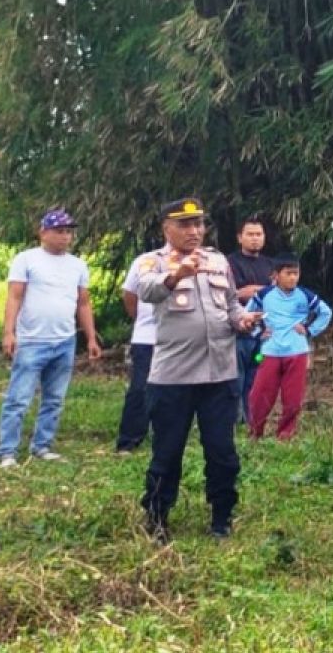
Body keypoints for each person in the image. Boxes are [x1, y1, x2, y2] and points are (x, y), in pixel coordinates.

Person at [138, 198, 261, 542]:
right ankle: (158, 517)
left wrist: (244, 320)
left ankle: (222, 517)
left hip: (219, 376)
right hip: (173, 379)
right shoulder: (153, 261)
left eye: (199, 224)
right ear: (166, 228)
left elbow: (231, 305)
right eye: (185, 224)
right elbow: (147, 291)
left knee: (222, 452)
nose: (194, 231)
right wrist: (178, 274)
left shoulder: (218, 261)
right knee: (168, 451)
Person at [0, 209, 101, 467]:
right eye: (59, 231)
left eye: (68, 232)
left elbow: (83, 303)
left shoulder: (77, 265)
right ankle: (7, 451)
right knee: (19, 398)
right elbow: (15, 296)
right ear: (43, 233)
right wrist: (9, 332)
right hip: (32, 339)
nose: (65, 237)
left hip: (64, 340)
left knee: (54, 398)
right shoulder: (27, 259)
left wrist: (91, 338)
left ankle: (42, 445)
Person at [246, 254, 332, 440]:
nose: (293, 277)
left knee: (293, 397)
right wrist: (258, 332)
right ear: (276, 275)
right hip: (270, 351)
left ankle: (286, 433)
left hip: (297, 351)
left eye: (296, 273)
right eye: (288, 273)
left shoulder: (305, 295)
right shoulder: (264, 295)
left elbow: (325, 312)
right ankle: (255, 432)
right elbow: (247, 315)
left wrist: (309, 330)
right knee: (260, 394)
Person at [228, 216, 272, 421]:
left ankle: (253, 415)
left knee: (257, 371)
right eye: (250, 234)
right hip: (240, 331)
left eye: (259, 234)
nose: (255, 238)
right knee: (237, 374)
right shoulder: (230, 263)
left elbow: (277, 294)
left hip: (263, 333)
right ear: (240, 237)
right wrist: (257, 291)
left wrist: (253, 290)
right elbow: (232, 295)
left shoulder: (270, 264)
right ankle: (236, 417)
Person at [114, 249, 157, 455]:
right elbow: (129, 295)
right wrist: (140, 319)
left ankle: (165, 434)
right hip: (147, 336)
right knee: (140, 389)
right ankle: (129, 440)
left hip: (182, 340)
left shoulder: (199, 260)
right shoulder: (146, 261)